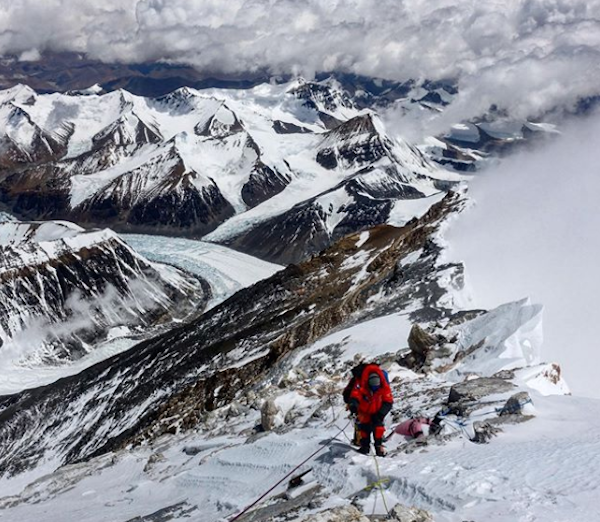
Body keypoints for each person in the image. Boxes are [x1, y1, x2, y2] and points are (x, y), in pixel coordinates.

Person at [345, 363, 393, 456]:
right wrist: (353, 403)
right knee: (364, 428)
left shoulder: (384, 386)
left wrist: (380, 414)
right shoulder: (361, 383)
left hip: (378, 411)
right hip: (364, 411)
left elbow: (388, 401)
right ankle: (365, 447)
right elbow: (355, 394)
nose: (375, 390)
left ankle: (379, 447)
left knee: (378, 428)